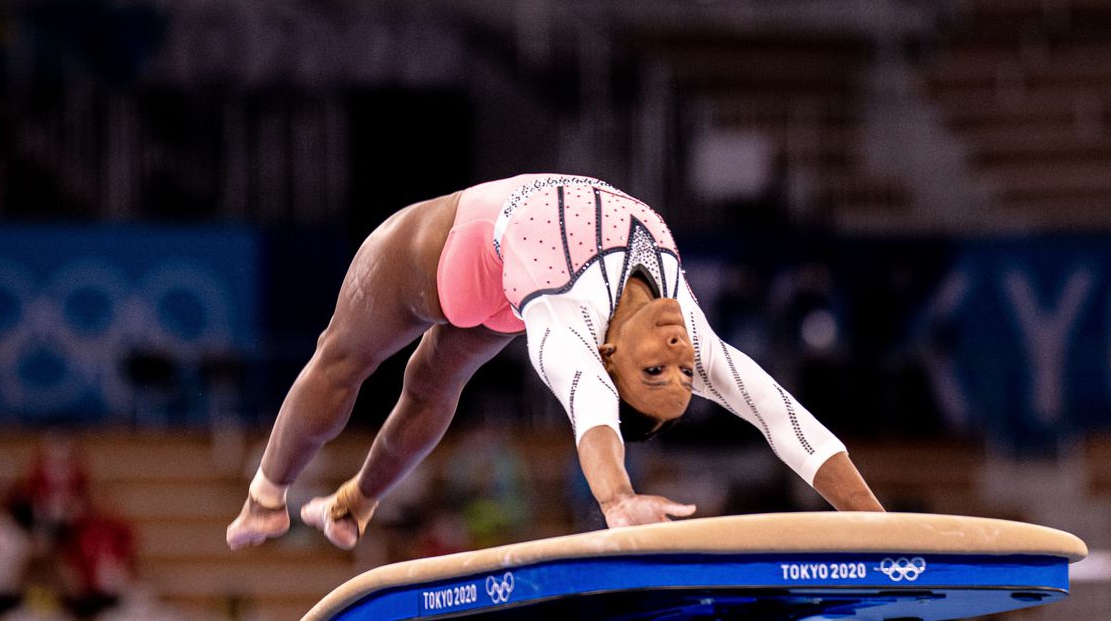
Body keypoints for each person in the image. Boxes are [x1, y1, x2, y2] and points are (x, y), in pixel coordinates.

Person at [226, 174, 884, 552]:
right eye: (682, 374)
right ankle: (268, 499)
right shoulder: (689, 331)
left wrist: (615, 498)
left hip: (463, 262)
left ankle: (344, 501)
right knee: (347, 362)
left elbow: (592, 415)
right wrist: (878, 524)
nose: (679, 356)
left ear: (606, 359)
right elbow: (781, 416)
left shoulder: (568, 328)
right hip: (470, 257)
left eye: (656, 374)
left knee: (423, 384)